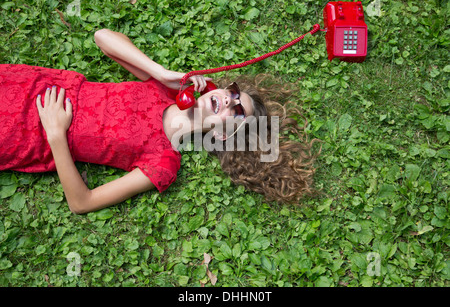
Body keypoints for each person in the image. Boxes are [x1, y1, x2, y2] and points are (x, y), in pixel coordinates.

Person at [0, 29, 319, 214]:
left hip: (25, 134)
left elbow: (82, 202)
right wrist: (162, 72)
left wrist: (56, 134)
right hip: (26, 85)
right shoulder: (163, 89)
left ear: (223, 136)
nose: (227, 98)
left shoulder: (163, 162)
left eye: (235, 111)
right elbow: (102, 38)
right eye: (233, 93)